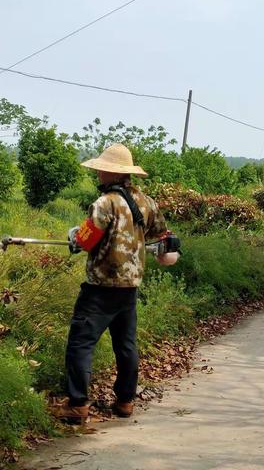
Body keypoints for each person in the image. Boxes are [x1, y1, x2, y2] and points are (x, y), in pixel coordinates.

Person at [54, 143, 179, 424]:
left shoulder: (105, 203)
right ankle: (125, 401)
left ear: (111, 172)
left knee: (80, 344)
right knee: (125, 345)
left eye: (101, 168)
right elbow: (163, 237)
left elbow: (85, 241)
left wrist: (74, 235)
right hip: (130, 288)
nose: (98, 172)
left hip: (100, 288)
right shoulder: (146, 202)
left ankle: (77, 405)